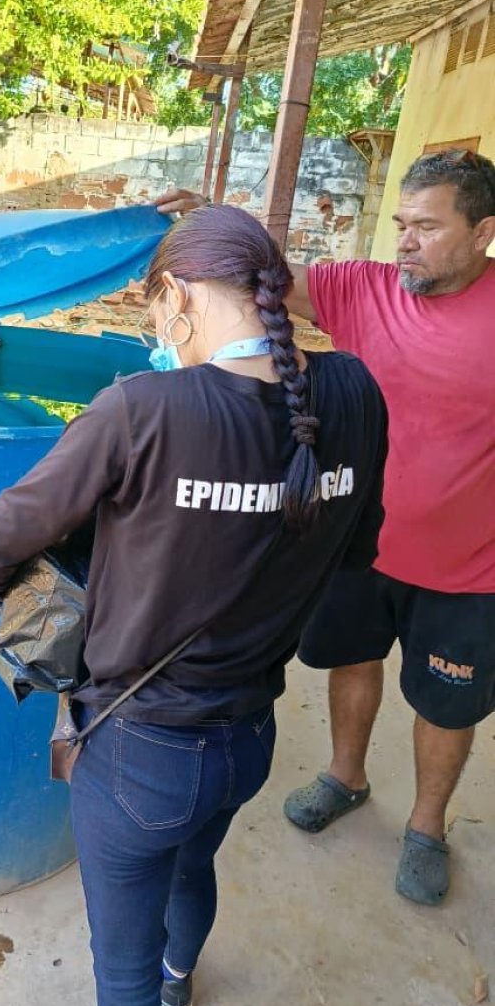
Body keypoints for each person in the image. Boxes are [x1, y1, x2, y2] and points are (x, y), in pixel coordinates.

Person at [0, 205, 388, 1006]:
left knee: (118, 963)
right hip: (249, 738)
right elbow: (355, 551)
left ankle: (153, 992)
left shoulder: (143, 409)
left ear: (179, 296)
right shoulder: (354, 393)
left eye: (155, 310)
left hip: (139, 752)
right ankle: (180, 981)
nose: (158, 330)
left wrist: (16, 593)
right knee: (193, 867)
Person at [156, 149, 495, 907]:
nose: (405, 242)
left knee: (445, 705)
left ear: (483, 233)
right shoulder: (362, 289)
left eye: (428, 227)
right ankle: (346, 776)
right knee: (351, 660)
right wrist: (206, 217)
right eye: (401, 224)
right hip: (358, 542)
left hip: (470, 568)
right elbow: (258, 276)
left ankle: (427, 827)